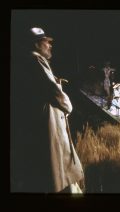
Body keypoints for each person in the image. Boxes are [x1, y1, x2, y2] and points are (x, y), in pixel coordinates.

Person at [11, 27, 84, 193]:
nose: (50, 46)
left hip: (43, 121)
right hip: (49, 122)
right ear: (37, 44)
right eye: (46, 43)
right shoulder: (35, 59)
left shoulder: (26, 61)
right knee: (60, 171)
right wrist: (68, 106)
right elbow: (52, 90)